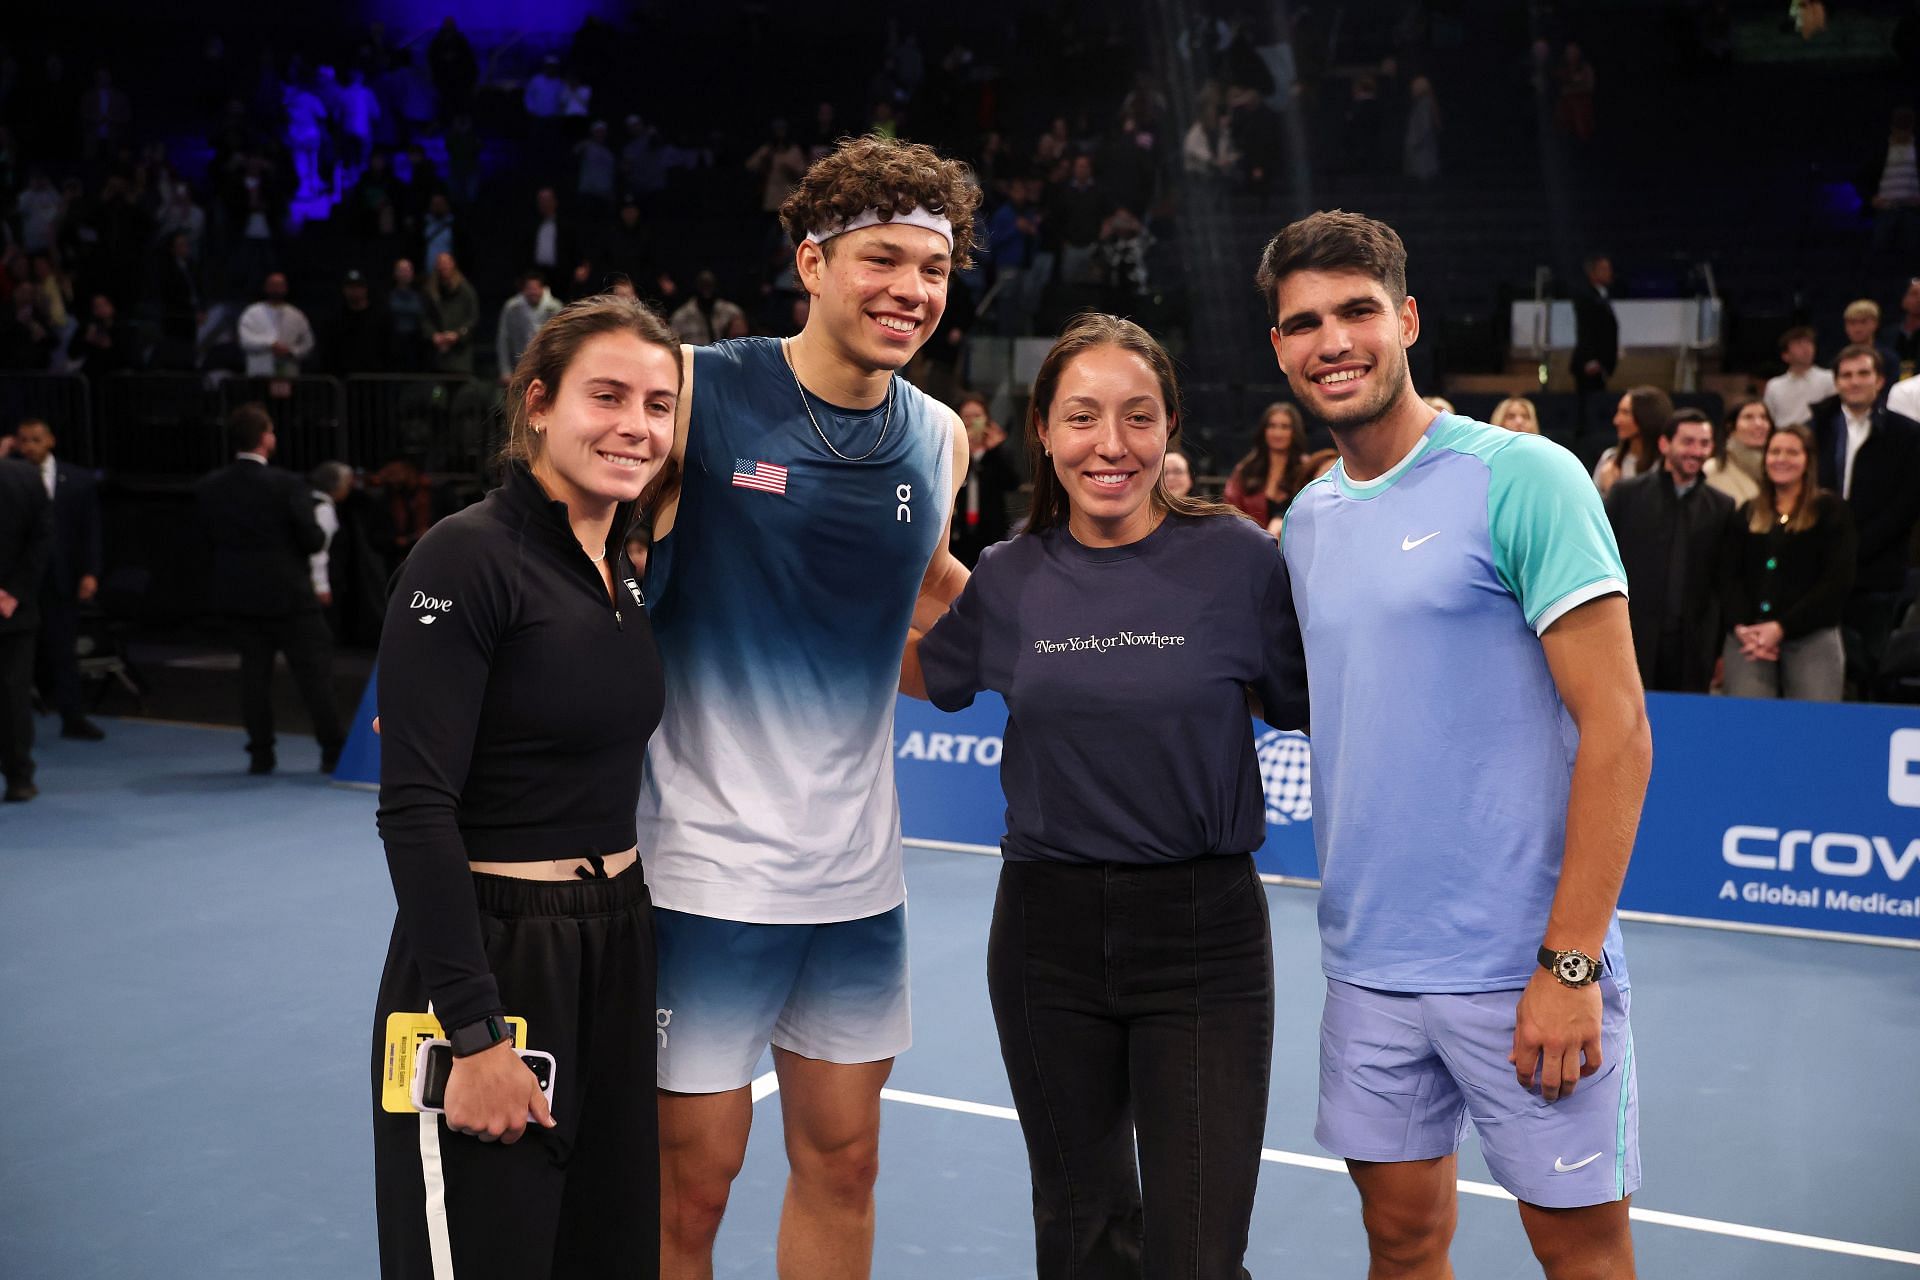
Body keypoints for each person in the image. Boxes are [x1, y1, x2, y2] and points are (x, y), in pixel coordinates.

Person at [1260, 210, 1651, 1279]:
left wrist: (1568, 962)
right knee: (1401, 1239)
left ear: (1408, 320)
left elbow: (1619, 728)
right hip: (1370, 970)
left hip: (1523, 965)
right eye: (1303, 323)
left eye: (1356, 311)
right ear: (1280, 348)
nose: (1331, 341)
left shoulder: (1525, 477)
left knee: (1580, 1253)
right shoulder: (1307, 518)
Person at [638, 135, 978, 1280]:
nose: (911, 292)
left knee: (844, 1162)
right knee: (692, 1182)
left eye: (932, 272)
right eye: (883, 259)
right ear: (813, 262)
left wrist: (1086, 653)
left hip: (855, 879)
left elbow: (925, 613)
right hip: (701, 870)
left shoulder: (939, 437)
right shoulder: (697, 386)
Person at [907, 314, 1308, 1278]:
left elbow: (1311, 695)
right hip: (1047, 938)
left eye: (1137, 417)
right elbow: (931, 669)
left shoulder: (1244, 562)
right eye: (1082, 417)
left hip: (1203, 936)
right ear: (1043, 430)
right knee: (1083, 1238)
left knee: (1198, 1255)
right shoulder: (1007, 577)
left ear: (1170, 427)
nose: (1110, 445)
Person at [371, 296, 678, 1279]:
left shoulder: (618, 573)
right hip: (496, 955)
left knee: (608, 1251)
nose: (636, 423)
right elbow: (415, 805)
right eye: (608, 394)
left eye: (659, 404)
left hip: (618, 939)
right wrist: (475, 1033)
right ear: (538, 403)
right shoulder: (465, 556)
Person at [193, 403, 345, 774]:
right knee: (315, 677)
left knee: (253, 678)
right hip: (289, 596)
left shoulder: (211, 487)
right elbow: (311, 540)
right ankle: (332, 752)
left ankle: (260, 754)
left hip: (239, 597)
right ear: (265, 438)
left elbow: (204, 539)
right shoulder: (286, 484)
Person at [1808, 344, 1920, 697]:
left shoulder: (1908, 435)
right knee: (1821, 672)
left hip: (1878, 574)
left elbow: (1906, 505)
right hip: (1818, 573)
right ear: (1836, 381)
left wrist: (1856, 549)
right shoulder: (1815, 429)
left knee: (1872, 669)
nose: (1854, 382)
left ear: (1880, 380)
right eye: (1846, 375)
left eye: (1862, 374)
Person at [1717, 424, 1855, 701]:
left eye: (1792, 452)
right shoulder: (1748, 512)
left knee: (1813, 729)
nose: (1781, 459)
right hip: (1749, 639)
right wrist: (1743, 628)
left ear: (1808, 461)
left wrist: (1781, 628)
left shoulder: (1830, 511)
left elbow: (1836, 581)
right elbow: (1728, 577)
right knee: (1746, 726)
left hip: (1812, 637)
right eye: (1775, 451)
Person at [1604, 407, 1735, 693]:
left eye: (1704, 443)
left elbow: (1724, 583)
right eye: (1688, 442)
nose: (1696, 451)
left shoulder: (1723, 507)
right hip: (1630, 640)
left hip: (1692, 648)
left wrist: (1719, 650)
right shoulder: (1626, 496)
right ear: (1665, 444)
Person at [12, 418, 104, 741]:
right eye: (23, 440)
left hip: (61, 577)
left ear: (50, 440)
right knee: (18, 654)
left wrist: (91, 571)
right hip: (20, 580)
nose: (30, 446)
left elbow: (90, 531)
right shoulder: (9, 478)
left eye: (36, 439)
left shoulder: (78, 481)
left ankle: (72, 717)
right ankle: (16, 723)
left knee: (64, 649)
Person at [0, 453, 52, 802]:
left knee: (13, 697)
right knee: (12, 695)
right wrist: (14, 593)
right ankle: (19, 777)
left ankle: (20, 774)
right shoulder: (27, 477)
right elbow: (43, 541)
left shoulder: (23, 478)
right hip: (13, 611)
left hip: (13, 611)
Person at [950, 390, 1020, 568]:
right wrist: (962, 449)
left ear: (987, 419)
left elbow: (1012, 482)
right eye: (966, 416)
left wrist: (993, 451)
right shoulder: (950, 451)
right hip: (958, 533)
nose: (972, 422)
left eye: (977, 416)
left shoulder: (997, 453)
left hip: (991, 532)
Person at [1223, 401, 1307, 530]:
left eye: (1285, 427)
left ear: (1295, 432)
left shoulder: (1307, 469)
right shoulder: (1245, 470)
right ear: (1264, 431)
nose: (1277, 433)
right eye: (1272, 426)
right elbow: (1230, 514)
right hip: (1253, 544)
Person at [1593, 385, 1667, 495]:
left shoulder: (1666, 465)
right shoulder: (1609, 459)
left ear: (1646, 417)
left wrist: (1613, 490)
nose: (1616, 421)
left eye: (1625, 413)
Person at [237, 272, 314, 377]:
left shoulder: (296, 315)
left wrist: (291, 352)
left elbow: (308, 343)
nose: (276, 289)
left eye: (280, 285)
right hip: (260, 373)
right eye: (273, 285)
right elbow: (245, 341)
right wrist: (270, 345)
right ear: (266, 287)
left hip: (289, 373)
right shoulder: (252, 312)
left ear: (286, 288)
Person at [496, 271, 563, 386]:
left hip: (546, 369)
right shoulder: (512, 308)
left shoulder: (555, 308)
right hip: (518, 368)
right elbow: (503, 340)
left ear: (543, 288)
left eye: (536, 288)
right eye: (529, 288)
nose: (533, 292)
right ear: (523, 289)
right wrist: (505, 371)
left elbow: (561, 341)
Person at [1704, 396, 1772, 507]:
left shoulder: (1778, 469)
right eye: (1748, 417)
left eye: (1764, 417)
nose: (1759, 424)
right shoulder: (1713, 470)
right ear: (1730, 426)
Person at [1762, 326, 1834, 429]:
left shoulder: (1829, 378)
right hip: (1783, 436)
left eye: (1809, 343)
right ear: (1785, 355)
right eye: (1799, 344)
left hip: (1817, 437)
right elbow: (1770, 418)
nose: (1806, 348)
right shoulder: (1774, 385)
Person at [1570, 254, 1618, 396]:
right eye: (1603, 269)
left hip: (1602, 364)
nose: (1609, 272)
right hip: (1590, 364)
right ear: (1592, 272)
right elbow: (1585, 329)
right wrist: (1590, 359)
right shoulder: (1586, 297)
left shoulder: (1602, 295)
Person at [425, 252, 479, 376]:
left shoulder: (466, 291)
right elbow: (424, 319)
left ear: (453, 265)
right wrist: (433, 335)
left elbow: (473, 319)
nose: (443, 267)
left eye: (446, 263)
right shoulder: (430, 291)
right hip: (435, 355)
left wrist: (457, 335)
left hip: (460, 357)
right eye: (440, 264)